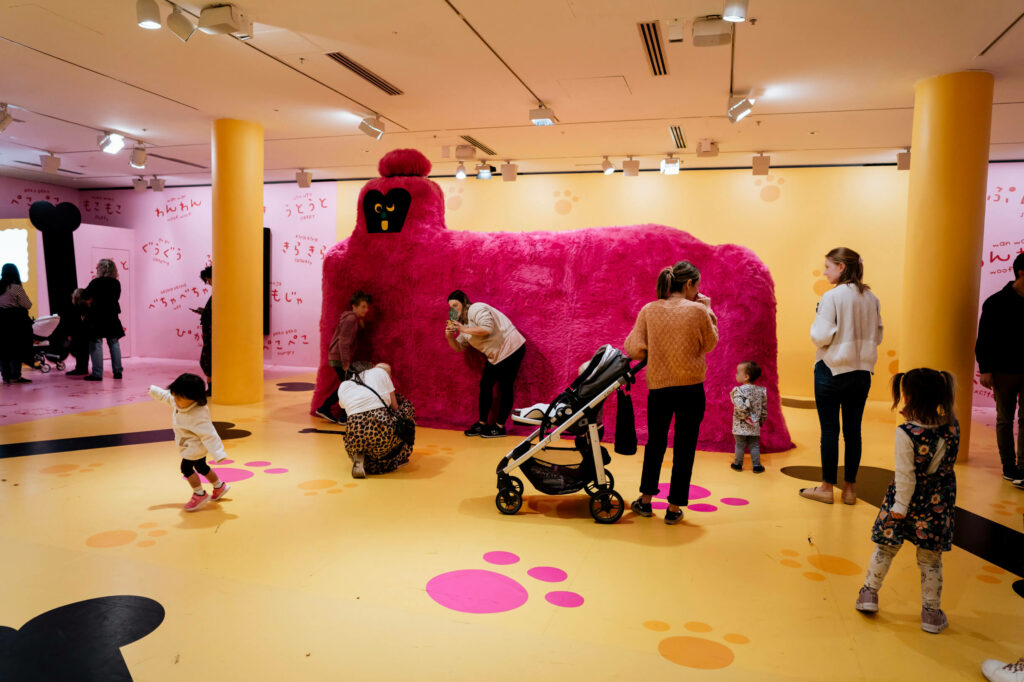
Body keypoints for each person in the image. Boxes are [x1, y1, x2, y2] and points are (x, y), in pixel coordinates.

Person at [854, 368, 959, 635]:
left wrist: (900, 507)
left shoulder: (907, 432)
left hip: (905, 500)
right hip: (938, 502)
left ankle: (869, 594)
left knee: (885, 549)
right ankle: (932, 615)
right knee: (930, 561)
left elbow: (906, 474)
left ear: (909, 396)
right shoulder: (952, 426)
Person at [625, 261, 718, 525]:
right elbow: (710, 344)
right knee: (685, 446)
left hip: (659, 387)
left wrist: (658, 350)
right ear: (689, 284)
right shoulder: (698, 310)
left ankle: (645, 501)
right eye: (697, 285)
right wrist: (708, 310)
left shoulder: (649, 309)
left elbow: (634, 349)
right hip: (691, 388)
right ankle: (674, 507)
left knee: (655, 444)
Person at [800, 247, 883, 505]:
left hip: (831, 369)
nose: (825, 272)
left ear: (842, 267)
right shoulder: (872, 298)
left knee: (829, 430)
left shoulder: (832, 296)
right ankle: (849, 490)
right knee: (853, 432)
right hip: (861, 371)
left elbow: (820, 336)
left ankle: (826, 487)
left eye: (828, 266)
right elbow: (878, 336)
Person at [444, 290, 526, 438]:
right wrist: (449, 336)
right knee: (485, 385)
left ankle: (499, 427)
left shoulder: (477, 308)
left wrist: (463, 329)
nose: (453, 310)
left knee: (506, 386)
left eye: (455, 305)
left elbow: (487, 329)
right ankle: (482, 424)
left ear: (464, 303)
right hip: (495, 355)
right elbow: (459, 347)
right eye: (450, 307)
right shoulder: (465, 324)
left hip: (512, 347)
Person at [148, 373, 229, 512]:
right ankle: (219, 486)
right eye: (175, 396)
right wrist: (154, 391)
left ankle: (199, 494)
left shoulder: (198, 415)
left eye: (179, 398)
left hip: (194, 447)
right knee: (202, 467)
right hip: (191, 444)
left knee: (186, 468)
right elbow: (167, 396)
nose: (175, 400)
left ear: (194, 399)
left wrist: (219, 453)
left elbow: (210, 434)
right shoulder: (180, 400)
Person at [975, 252, 1024, 483]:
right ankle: (1009, 466)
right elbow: (984, 338)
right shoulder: (995, 302)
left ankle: (1023, 467)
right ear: (1021, 273)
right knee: (1005, 419)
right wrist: (985, 369)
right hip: (1003, 372)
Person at [338, 362, 416, 478]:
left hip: (355, 436)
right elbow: (395, 407)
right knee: (406, 407)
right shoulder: (380, 373)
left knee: (357, 429)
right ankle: (398, 457)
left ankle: (362, 456)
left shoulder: (344, 385)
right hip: (381, 431)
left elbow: (345, 408)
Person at [315, 290, 373, 424]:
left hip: (338, 357)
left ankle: (339, 414)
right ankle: (332, 410)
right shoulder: (351, 318)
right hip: (339, 358)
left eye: (367, 307)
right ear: (354, 306)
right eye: (363, 306)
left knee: (347, 385)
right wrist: (346, 363)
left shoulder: (353, 319)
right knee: (349, 385)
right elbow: (344, 341)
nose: (366, 309)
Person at [82, 258, 125, 382]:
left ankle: (97, 374)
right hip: (112, 316)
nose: (96, 268)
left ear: (102, 268)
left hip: (96, 316)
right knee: (114, 343)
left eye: (98, 267)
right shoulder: (117, 283)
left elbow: (85, 295)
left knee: (96, 344)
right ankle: (118, 372)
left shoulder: (96, 282)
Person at [730, 360, 767, 473]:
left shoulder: (738, 391)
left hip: (740, 426)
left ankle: (738, 464)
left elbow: (740, 407)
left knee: (740, 445)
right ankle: (756, 466)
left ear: (746, 376)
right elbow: (764, 408)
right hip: (755, 425)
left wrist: (745, 416)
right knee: (754, 445)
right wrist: (761, 420)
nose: (736, 374)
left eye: (737, 372)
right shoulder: (761, 391)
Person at [0, 263, 33, 384]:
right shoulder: (16, 288)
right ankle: (15, 376)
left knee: (3, 350)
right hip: (15, 323)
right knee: (15, 349)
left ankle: (5, 377)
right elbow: (28, 305)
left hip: (1, 323)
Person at [189, 266, 213, 395]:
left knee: (208, 360)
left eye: (208, 280)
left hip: (211, 335)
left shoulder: (219, 294)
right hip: (209, 333)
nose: (208, 283)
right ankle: (211, 387)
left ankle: (212, 388)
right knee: (208, 360)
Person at [65, 288, 91, 376]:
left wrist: (69, 334)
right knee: (85, 352)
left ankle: (80, 368)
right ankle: (83, 368)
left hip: (77, 334)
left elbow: (72, 323)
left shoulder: (74, 308)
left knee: (80, 351)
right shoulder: (88, 307)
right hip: (87, 333)